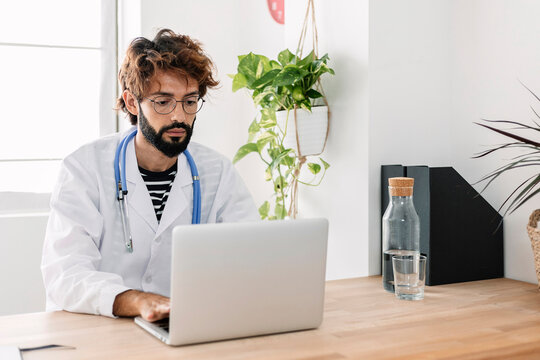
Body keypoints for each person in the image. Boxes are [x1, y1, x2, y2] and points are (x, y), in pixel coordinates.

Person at [41, 29, 258, 322]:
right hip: (99, 328)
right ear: (132, 103)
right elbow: (65, 274)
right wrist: (137, 300)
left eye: (190, 101)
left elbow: (252, 257)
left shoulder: (217, 172)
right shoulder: (84, 168)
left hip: (183, 326)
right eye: (163, 101)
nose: (179, 116)